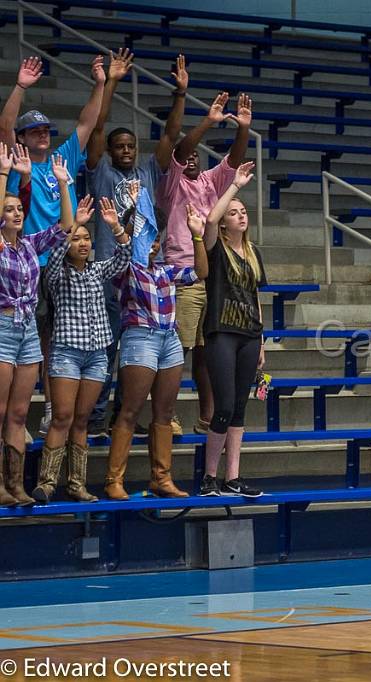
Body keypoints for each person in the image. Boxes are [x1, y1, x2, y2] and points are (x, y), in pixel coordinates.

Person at [1, 54, 106, 436]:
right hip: (27, 263)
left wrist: (99, 83)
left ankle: (48, 411)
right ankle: (22, 416)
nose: (43, 134)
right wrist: (20, 87)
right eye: (36, 131)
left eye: (46, 130)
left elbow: (88, 123)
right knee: (30, 338)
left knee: (58, 336)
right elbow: (5, 125)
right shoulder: (18, 161)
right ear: (24, 140)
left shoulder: (63, 158)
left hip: (63, 258)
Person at [86, 51, 185, 437]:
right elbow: (96, 130)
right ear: (111, 152)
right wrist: (111, 81)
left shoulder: (146, 170)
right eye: (120, 147)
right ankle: (95, 419)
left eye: (130, 146)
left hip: (146, 281)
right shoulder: (102, 173)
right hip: (114, 278)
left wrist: (179, 94)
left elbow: (171, 137)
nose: (126, 150)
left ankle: (121, 418)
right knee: (108, 350)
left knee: (140, 358)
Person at [156, 86, 252, 436]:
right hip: (183, 278)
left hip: (215, 278)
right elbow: (180, 148)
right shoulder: (171, 185)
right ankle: (169, 414)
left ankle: (207, 415)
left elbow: (234, 161)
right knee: (175, 354)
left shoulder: (212, 180)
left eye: (198, 154)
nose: (192, 157)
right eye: (189, 155)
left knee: (206, 353)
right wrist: (209, 122)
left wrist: (242, 127)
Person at [103, 186, 208, 501]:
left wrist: (197, 236)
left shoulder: (167, 270)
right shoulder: (127, 268)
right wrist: (122, 229)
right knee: (130, 410)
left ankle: (161, 478)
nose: (153, 242)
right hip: (140, 339)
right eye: (146, 236)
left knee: (164, 413)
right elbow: (125, 256)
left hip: (169, 340)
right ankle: (114, 480)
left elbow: (202, 272)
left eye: (156, 237)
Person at [33, 194, 131, 504]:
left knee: (81, 419)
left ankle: (77, 484)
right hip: (66, 352)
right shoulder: (56, 273)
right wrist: (74, 223)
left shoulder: (97, 271)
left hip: (96, 354)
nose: (83, 243)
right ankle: (46, 483)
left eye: (87, 238)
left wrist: (115, 228)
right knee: (62, 416)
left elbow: (124, 256)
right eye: (78, 239)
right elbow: (58, 247)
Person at [0, 149, 74, 507]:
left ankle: (15, 485)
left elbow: (66, 227)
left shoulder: (29, 245)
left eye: (18, 209)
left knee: (17, 412)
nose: (16, 213)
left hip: (27, 327)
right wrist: (4, 175)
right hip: (2, 323)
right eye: (9, 209)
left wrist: (62, 185)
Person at [198, 162, 266, 499]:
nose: (241, 215)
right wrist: (235, 186)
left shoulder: (253, 253)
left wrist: (263, 340)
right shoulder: (215, 246)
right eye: (234, 212)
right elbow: (209, 220)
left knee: (240, 406)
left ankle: (232, 477)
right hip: (221, 332)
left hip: (250, 335)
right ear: (225, 222)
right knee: (223, 405)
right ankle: (209, 477)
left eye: (243, 212)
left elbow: (255, 296)